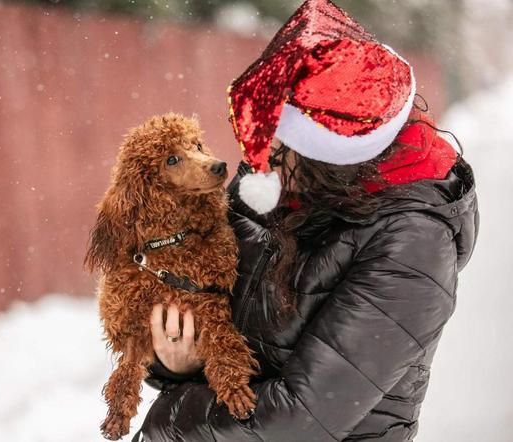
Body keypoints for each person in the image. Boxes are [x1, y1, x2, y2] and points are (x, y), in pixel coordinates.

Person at [137, 0, 478, 440]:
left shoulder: (414, 244)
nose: (259, 162)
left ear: (331, 162)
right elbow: (206, 300)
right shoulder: (284, 181)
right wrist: (176, 363)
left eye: (280, 150)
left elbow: (296, 420)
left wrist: (168, 418)